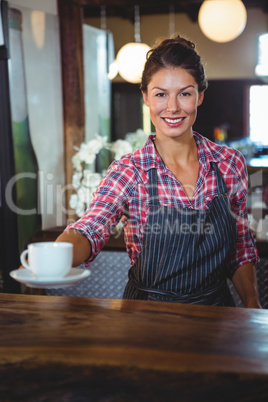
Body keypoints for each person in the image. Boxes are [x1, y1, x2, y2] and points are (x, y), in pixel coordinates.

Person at [57, 35, 261, 308]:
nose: (173, 107)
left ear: (200, 95)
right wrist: (57, 254)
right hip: (148, 318)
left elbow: (240, 247)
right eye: (161, 94)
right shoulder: (129, 171)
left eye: (185, 93)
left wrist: (252, 305)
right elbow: (90, 228)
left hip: (217, 317)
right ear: (146, 97)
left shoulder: (228, 163)